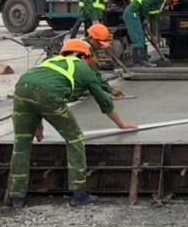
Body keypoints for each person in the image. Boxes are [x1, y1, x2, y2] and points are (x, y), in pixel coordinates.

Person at [8, 39, 138, 208]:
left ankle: (17, 197)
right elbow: (103, 102)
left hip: (21, 88)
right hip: (49, 96)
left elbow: (35, 88)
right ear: (83, 56)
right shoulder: (83, 68)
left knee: (21, 144)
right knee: (74, 138)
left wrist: (37, 126)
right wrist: (121, 123)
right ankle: (79, 194)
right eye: (88, 58)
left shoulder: (50, 61)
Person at [123, 0, 177, 67]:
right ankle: (138, 63)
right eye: (170, 3)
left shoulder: (159, 4)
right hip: (132, 13)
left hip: (137, 15)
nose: (168, 5)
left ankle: (143, 61)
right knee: (138, 39)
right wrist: (146, 18)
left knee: (141, 39)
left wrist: (154, 36)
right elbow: (145, 2)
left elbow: (153, 19)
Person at [80, 23, 127, 98]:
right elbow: (94, 75)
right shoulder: (84, 50)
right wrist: (110, 90)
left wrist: (94, 61)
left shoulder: (85, 43)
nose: (101, 46)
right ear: (91, 38)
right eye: (99, 43)